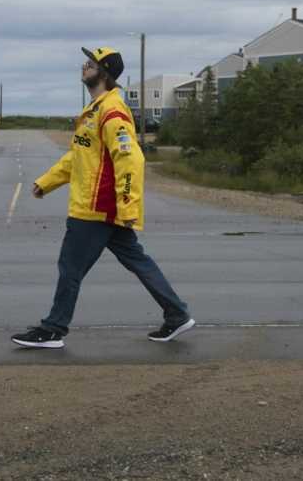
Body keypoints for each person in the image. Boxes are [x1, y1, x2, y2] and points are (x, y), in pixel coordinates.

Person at [11, 47, 194, 349]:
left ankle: (54, 329)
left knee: (70, 268)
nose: (84, 66)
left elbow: (129, 160)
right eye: (86, 62)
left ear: (104, 72)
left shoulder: (113, 112)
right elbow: (77, 158)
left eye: (91, 63)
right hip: (101, 207)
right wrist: (46, 182)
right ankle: (177, 314)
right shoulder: (95, 111)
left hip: (96, 207)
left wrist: (128, 204)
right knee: (138, 261)